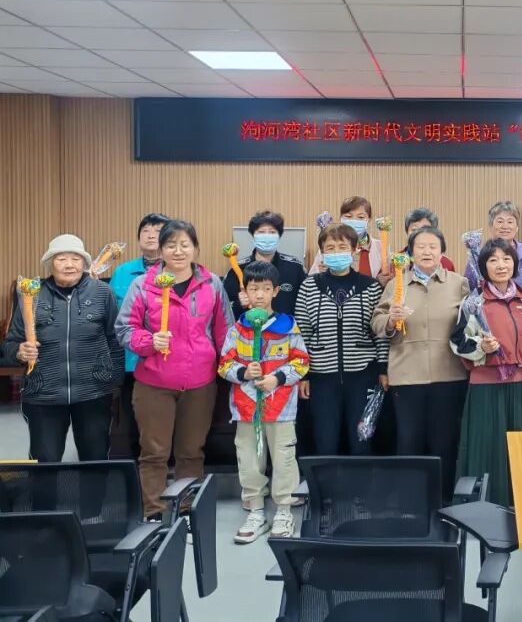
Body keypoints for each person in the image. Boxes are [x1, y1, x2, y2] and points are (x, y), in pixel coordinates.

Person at [115, 219, 232, 519]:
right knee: (154, 452)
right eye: (171, 245)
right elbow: (124, 329)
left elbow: (225, 332)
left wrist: (231, 368)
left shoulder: (212, 284)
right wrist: (149, 341)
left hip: (200, 383)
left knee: (191, 452)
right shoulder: (143, 285)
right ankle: (153, 512)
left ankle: (186, 511)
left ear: (195, 248)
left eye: (184, 245)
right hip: (154, 383)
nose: (178, 251)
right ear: (161, 249)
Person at [1, 234, 123, 462]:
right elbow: (9, 344)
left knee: (95, 458)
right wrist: (19, 352)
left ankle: (92, 489)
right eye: (61, 259)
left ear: (84, 263)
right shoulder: (31, 295)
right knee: (45, 460)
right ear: (50, 263)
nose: (69, 265)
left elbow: (115, 341)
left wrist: (114, 382)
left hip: (93, 393)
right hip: (43, 395)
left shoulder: (102, 292)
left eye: (76, 259)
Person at [372, 226, 469, 500]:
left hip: (449, 375)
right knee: (409, 440)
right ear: (410, 252)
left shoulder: (459, 284)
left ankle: (444, 499)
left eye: (433, 246)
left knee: (445, 442)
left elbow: (470, 324)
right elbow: (376, 322)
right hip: (407, 376)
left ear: (442, 252)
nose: (427, 251)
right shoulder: (397, 284)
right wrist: (390, 320)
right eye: (420, 246)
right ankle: (410, 501)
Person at [218, 262, 310, 543]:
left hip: (281, 407)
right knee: (249, 460)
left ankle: (284, 510)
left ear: (275, 291)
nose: (259, 295)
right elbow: (224, 364)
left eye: (265, 289)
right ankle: (256, 509)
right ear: (245, 291)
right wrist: (244, 373)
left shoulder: (288, 326)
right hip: (246, 408)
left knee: (284, 459)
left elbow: (301, 362)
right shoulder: (237, 329)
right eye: (253, 289)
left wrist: (278, 378)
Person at [450, 238, 522, 507]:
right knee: (487, 447)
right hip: (486, 388)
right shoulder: (473, 303)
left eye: (506, 259)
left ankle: (521, 506)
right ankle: (483, 508)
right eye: (493, 260)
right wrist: (482, 347)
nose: (501, 265)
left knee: (520, 451)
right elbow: (457, 342)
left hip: (521, 388)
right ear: (483, 266)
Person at [294, 224, 388, 456]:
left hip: (363, 375)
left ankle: (361, 481)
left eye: (342, 247)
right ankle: (326, 481)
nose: (336, 252)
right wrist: (303, 374)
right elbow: (301, 332)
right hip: (321, 377)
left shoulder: (370, 286)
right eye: (330, 248)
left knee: (361, 439)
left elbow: (379, 333)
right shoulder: (309, 286)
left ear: (354, 250)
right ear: (322, 253)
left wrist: (383, 369)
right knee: (325, 440)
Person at [110, 212, 170, 459]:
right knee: (135, 418)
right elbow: (114, 316)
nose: (151, 235)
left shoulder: (178, 270)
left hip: (166, 360)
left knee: (167, 418)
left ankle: (168, 468)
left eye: (158, 231)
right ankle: (139, 469)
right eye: (146, 231)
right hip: (130, 360)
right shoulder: (122, 272)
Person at [223, 210, 306, 319]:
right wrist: (239, 304)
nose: (267, 236)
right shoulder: (237, 269)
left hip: (286, 328)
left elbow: (305, 306)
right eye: (261, 232)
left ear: (279, 236)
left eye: (272, 232)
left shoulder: (295, 268)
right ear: (253, 235)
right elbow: (224, 310)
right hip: (247, 328)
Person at [465, 201, 522, 304]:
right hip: (488, 312)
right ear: (491, 226)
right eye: (500, 221)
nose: (505, 226)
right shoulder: (478, 256)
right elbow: (469, 290)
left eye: (510, 222)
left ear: (517, 227)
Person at [309, 196, 384, 280]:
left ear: (369, 219)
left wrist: (380, 282)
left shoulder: (380, 247)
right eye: (348, 216)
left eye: (360, 217)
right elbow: (311, 279)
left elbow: (389, 278)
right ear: (341, 218)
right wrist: (322, 274)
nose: (354, 220)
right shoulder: (329, 248)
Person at [398, 208, 457, 282]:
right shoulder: (395, 262)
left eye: (424, 229)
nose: (419, 234)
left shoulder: (446, 263)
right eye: (414, 230)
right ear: (407, 232)